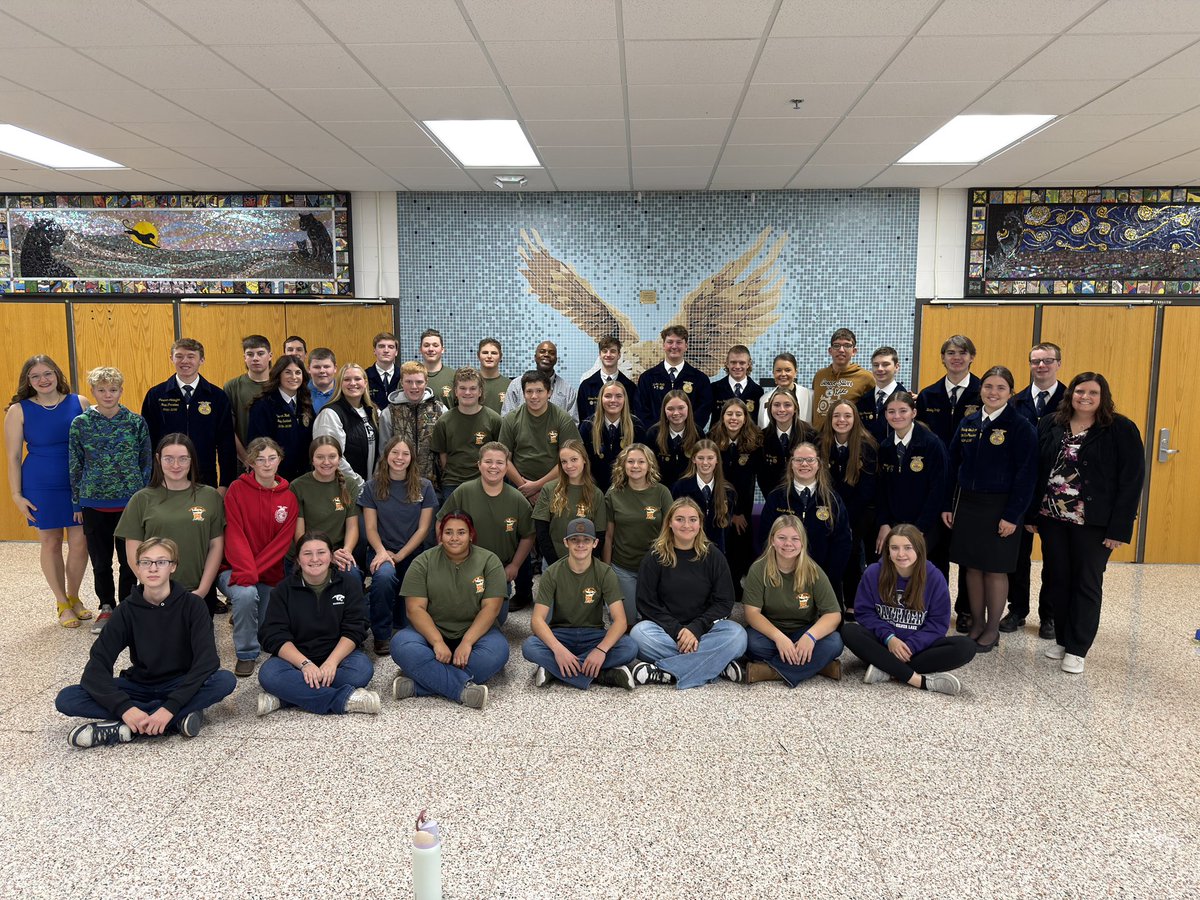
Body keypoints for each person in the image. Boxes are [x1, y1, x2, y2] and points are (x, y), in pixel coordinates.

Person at [54, 537, 236, 747]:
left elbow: (207, 662)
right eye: (146, 562)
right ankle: (172, 721)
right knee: (67, 698)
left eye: (161, 562)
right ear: (138, 568)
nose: (153, 568)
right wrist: (125, 709)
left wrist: (170, 706)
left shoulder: (193, 605)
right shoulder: (126, 610)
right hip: (139, 685)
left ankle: (129, 727)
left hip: (179, 683)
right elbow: (97, 666)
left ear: (173, 567)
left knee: (224, 681)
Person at [1033, 372, 1144, 675]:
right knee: (1057, 578)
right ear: (1071, 394)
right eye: (1080, 391)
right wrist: (1032, 515)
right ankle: (1063, 638)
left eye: (1093, 393)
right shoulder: (1051, 423)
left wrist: (1120, 528)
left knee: (1086, 581)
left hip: (1094, 523)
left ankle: (1078, 648)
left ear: (1102, 397)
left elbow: (1131, 481)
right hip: (1052, 518)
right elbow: (1038, 469)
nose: (1085, 397)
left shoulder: (1120, 429)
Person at [943, 366, 1037, 653]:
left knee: (995, 570)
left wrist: (1013, 516)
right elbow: (952, 463)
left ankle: (992, 628)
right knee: (971, 567)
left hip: (1002, 508)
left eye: (1000, 388)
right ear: (980, 390)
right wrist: (949, 505)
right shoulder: (970, 422)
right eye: (988, 387)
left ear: (1010, 392)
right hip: (969, 505)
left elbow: (1027, 475)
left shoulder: (1020, 426)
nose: (993, 393)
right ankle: (976, 624)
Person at [390, 511, 509, 710]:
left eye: (461, 532)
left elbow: (492, 608)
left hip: (476, 635)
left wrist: (467, 642)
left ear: (471, 535)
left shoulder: (490, 561)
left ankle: (419, 685)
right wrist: (437, 641)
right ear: (440, 535)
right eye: (448, 532)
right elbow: (414, 609)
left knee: (499, 652)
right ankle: (462, 688)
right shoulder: (423, 561)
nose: (454, 538)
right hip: (430, 634)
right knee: (401, 645)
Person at [6, 355, 92, 627]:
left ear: (57, 374)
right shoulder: (18, 410)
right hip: (40, 485)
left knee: (80, 543)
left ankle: (74, 596)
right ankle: (61, 602)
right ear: (28, 381)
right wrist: (16, 495)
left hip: (77, 484)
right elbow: (12, 457)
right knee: (51, 542)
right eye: (35, 376)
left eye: (47, 373)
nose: (43, 380)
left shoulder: (80, 403)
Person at [256, 531, 380, 717]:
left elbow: (356, 628)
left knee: (361, 670)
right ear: (298, 559)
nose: (315, 559)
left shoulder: (348, 584)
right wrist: (305, 664)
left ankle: (284, 698)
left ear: (331, 556)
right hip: (297, 660)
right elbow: (273, 635)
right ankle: (345, 700)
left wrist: (331, 662)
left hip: (338, 657)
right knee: (269, 674)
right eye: (307, 554)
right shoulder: (283, 590)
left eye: (321, 552)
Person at [842, 525, 976, 695]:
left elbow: (938, 624)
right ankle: (919, 681)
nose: (901, 554)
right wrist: (890, 639)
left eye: (908, 548)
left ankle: (885, 668)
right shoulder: (873, 573)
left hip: (917, 650)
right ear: (887, 550)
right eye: (894, 548)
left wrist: (911, 646)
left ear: (919, 549)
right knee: (849, 631)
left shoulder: (934, 577)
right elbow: (864, 613)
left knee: (966, 647)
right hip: (883, 644)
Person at [68, 366, 152, 633]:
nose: (107, 395)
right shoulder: (80, 424)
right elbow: (75, 464)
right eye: (101, 390)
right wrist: (76, 502)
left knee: (130, 559)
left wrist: (144, 499)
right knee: (100, 559)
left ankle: (128, 605)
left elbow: (146, 461)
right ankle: (106, 606)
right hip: (94, 503)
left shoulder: (135, 422)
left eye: (113, 390)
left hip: (130, 503)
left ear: (121, 391)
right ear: (92, 392)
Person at [630, 498, 746, 688]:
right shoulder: (655, 557)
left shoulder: (713, 556)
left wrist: (695, 628)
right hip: (666, 632)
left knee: (737, 635)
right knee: (638, 635)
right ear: (669, 522)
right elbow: (646, 603)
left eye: (693, 519)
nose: (686, 525)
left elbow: (724, 602)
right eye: (680, 519)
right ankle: (716, 664)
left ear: (700, 524)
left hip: (704, 631)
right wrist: (678, 631)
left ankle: (665, 672)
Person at [521, 518, 639, 690]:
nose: (580, 545)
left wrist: (600, 651)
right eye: (574, 540)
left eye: (586, 540)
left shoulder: (605, 572)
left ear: (595, 543)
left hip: (593, 635)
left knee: (630, 647)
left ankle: (556, 671)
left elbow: (620, 620)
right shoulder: (552, 573)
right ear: (566, 542)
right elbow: (537, 620)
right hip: (561, 635)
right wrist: (558, 650)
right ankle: (602, 674)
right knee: (529, 647)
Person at [117, 434, 225, 616]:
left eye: (183, 459)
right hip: (154, 594)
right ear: (158, 459)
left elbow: (216, 546)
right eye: (169, 459)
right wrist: (152, 586)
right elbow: (132, 550)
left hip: (198, 592)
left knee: (197, 644)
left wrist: (203, 590)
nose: (176, 465)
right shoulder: (141, 499)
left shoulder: (210, 496)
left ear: (192, 460)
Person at [218, 437, 300, 677]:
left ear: (279, 460)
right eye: (260, 459)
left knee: (268, 634)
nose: (266, 464)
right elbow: (234, 535)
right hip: (234, 568)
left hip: (269, 573)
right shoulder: (236, 490)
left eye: (271, 458)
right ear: (250, 462)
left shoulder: (289, 497)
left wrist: (255, 572)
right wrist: (246, 571)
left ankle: (245, 619)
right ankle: (246, 653)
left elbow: (281, 545)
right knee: (245, 594)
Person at [1001, 342, 1067, 639]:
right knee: (1019, 555)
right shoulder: (1016, 402)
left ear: (1058, 364)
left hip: (1058, 493)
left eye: (1047, 361)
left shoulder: (1070, 400)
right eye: (1035, 361)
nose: (1041, 366)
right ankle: (1017, 609)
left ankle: (1050, 615)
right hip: (1022, 489)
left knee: (1054, 557)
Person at [917, 334, 981, 631]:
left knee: (968, 552)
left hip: (972, 485)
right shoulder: (929, 396)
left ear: (971, 357)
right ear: (942, 358)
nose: (956, 357)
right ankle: (937, 604)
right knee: (938, 551)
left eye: (962, 353)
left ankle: (966, 610)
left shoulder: (985, 392)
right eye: (951, 353)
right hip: (938, 483)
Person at [740, 515, 844, 685]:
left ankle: (769, 671)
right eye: (782, 538)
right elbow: (751, 614)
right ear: (772, 540)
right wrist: (779, 638)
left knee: (835, 642)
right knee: (750, 643)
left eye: (795, 539)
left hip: (803, 630)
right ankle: (819, 666)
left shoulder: (813, 571)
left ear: (802, 543)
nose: (788, 544)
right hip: (770, 632)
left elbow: (833, 615)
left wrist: (810, 637)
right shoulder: (759, 569)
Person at [360, 436, 437, 653]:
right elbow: (371, 529)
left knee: (404, 621)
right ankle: (381, 636)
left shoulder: (425, 486)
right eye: (395, 452)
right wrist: (383, 553)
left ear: (412, 458)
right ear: (386, 455)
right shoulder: (371, 487)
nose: (399, 458)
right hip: (381, 552)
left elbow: (423, 530)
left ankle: (382, 612)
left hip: (413, 554)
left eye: (405, 453)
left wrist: (400, 556)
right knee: (384, 578)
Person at [441, 442, 536, 616]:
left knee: (497, 619)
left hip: (499, 570)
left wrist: (514, 565)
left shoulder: (518, 500)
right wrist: (446, 556)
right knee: (461, 615)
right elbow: (441, 521)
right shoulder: (463, 492)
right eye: (488, 461)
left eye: (500, 462)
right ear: (479, 465)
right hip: (464, 566)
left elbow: (528, 535)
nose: (494, 466)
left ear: (507, 467)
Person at [140, 338, 237, 491]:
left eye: (191, 356)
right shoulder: (156, 395)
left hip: (204, 476)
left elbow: (226, 444)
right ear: (171, 358)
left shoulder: (217, 396)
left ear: (202, 360)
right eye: (179, 356)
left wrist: (226, 484)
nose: (185, 361)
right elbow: (147, 442)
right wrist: (150, 479)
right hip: (166, 477)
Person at [760, 442, 852, 599]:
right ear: (791, 464)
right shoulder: (776, 497)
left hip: (823, 579)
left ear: (819, 464)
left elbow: (842, 543)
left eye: (810, 460)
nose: (804, 464)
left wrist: (827, 578)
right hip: (782, 579)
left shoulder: (832, 500)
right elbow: (765, 537)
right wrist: (777, 572)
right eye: (798, 460)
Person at [602, 443, 673, 626]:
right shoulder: (613, 494)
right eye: (630, 461)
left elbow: (671, 533)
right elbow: (609, 536)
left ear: (649, 465)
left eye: (641, 462)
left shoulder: (662, 492)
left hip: (656, 567)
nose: (635, 466)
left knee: (655, 620)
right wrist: (607, 571)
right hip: (624, 566)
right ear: (623, 465)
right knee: (628, 622)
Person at [818, 400, 878, 608]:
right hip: (827, 510)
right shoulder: (821, 443)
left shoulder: (867, 446)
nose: (841, 420)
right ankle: (828, 600)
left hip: (857, 513)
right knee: (826, 553)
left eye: (847, 416)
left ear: (855, 419)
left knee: (852, 553)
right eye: (836, 416)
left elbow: (867, 491)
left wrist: (845, 520)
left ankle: (853, 602)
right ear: (830, 419)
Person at [874, 392, 948, 560]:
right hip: (895, 524)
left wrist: (920, 528)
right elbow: (881, 490)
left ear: (913, 413)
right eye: (891, 411)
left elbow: (938, 489)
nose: (897, 416)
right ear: (885, 414)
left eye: (903, 411)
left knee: (923, 573)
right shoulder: (885, 447)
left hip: (926, 525)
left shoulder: (931, 444)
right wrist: (884, 523)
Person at [707, 397, 763, 598]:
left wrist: (738, 513)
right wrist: (725, 511)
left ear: (745, 418)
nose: (734, 418)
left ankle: (735, 584)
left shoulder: (755, 443)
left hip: (743, 506)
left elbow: (750, 481)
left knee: (740, 545)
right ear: (722, 417)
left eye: (738, 414)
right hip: (716, 504)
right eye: (729, 414)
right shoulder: (711, 440)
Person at [499, 370, 582, 503]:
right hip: (519, 487)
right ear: (523, 393)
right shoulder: (511, 419)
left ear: (549, 393)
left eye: (539, 391)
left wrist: (538, 486)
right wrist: (525, 488)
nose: (534, 396)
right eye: (529, 391)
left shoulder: (563, 419)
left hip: (557, 486)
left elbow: (571, 459)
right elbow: (503, 459)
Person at [288, 436, 361, 582]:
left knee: (352, 576)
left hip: (337, 552)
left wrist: (346, 551)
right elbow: (299, 533)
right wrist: (320, 556)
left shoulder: (350, 484)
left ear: (339, 459)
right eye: (320, 457)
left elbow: (352, 527)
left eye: (332, 456)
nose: (326, 462)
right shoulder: (298, 486)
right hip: (307, 553)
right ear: (312, 460)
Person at [429, 366, 501, 502]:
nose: (467, 392)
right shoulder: (444, 421)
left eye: (473, 388)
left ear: (480, 391)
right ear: (455, 391)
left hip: (485, 482)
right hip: (452, 484)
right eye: (462, 388)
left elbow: (502, 454)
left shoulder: (494, 420)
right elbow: (442, 456)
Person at [533, 438, 607, 566]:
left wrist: (587, 563)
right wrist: (555, 563)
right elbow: (541, 531)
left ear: (584, 459)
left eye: (574, 459)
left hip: (585, 563)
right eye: (564, 462)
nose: (569, 465)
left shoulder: (596, 494)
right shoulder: (549, 489)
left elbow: (600, 534)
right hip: (554, 562)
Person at [246, 355, 314, 483]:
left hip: (304, 476)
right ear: (278, 375)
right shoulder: (263, 405)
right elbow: (257, 444)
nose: (294, 377)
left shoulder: (306, 404)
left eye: (298, 373)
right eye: (287, 372)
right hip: (274, 476)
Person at [378, 360, 446, 486]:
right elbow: (384, 450)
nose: (414, 387)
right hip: (399, 483)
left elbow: (445, 449)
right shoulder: (389, 413)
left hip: (433, 483)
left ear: (426, 382)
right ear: (401, 383)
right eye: (409, 381)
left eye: (419, 382)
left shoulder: (440, 410)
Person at [634, 325, 713, 429]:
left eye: (679, 342)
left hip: (688, 440)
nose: (674, 346)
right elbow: (641, 410)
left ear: (686, 346)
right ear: (663, 345)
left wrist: (687, 432)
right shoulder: (647, 378)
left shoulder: (700, 379)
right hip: (655, 440)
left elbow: (704, 410)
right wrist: (656, 433)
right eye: (670, 342)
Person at [312, 363, 377, 487]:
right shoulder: (330, 414)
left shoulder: (372, 411)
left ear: (365, 383)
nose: (353, 383)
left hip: (369, 488)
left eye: (357, 379)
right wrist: (358, 484)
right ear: (340, 384)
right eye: (347, 379)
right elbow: (332, 458)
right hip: (342, 487)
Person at [579, 379, 645, 494]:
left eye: (618, 396)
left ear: (625, 400)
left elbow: (642, 464)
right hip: (594, 490)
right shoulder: (587, 426)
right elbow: (582, 463)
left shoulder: (636, 426)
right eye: (608, 396)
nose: (613, 400)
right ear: (600, 399)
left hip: (627, 491)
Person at [671, 438, 734, 553]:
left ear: (717, 460)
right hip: (687, 550)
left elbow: (726, 528)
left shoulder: (727, 491)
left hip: (716, 552)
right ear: (694, 459)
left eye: (710, 458)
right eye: (700, 458)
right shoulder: (680, 487)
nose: (705, 463)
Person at [756, 388, 817, 498]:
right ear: (770, 408)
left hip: (805, 498)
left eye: (787, 405)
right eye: (777, 405)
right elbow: (762, 476)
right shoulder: (761, 437)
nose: (782, 409)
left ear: (795, 408)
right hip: (774, 499)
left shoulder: (811, 435)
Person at [223, 334, 272, 465]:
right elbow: (228, 429)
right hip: (244, 462)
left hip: (279, 462)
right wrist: (246, 460)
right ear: (244, 358)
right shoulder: (232, 387)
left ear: (270, 356)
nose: (255, 358)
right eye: (250, 354)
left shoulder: (280, 384)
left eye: (260, 353)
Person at [812, 328, 875, 429]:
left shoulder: (866, 378)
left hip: (849, 440)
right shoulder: (819, 376)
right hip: (819, 440)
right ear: (830, 350)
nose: (841, 350)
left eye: (847, 345)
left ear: (854, 351)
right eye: (836, 345)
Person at [502, 341, 579, 421]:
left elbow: (572, 423)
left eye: (551, 353)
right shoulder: (516, 385)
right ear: (535, 357)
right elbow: (507, 419)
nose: (546, 355)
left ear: (556, 360)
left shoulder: (567, 390)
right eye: (542, 352)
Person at [644, 389, 700, 488]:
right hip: (659, 490)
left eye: (681, 408)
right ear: (664, 410)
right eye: (670, 409)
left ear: (688, 408)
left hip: (689, 491)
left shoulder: (698, 434)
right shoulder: (652, 434)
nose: (676, 413)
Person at [576, 336, 637, 424]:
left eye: (613, 351)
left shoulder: (630, 387)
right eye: (605, 351)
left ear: (619, 355)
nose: (608, 355)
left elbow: (632, 418)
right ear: (600, 355)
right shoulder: (586, 386)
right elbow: (582, 419)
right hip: (592, 436)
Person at [856, 346, 906, 444]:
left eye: (885, 364)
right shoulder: (863, 401)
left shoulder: (906, 400)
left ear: (897, 367)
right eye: (875, 365)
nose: (879, 369)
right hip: (868, 457)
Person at [710, 345, 764, 430]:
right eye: (733, 362)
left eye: (742, 363)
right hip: (719, 440)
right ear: (727, 363)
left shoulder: (757, 391)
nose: (737, 366)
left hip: (748, 441)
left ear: (748, 364)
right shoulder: (714, 388)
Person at [759, 352, 813, 428]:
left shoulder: (810, 396)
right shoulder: (764, 399)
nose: (783, 374)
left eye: (788, 370)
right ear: (773, 373)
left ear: (795, 372)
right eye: (778, 370)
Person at [419, 328, 456, 406]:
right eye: (426, 345)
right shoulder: (410, 376)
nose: (431, 349)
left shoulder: (454, 377)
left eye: (435, 345)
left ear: (442, 349)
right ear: (420, 349)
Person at [366, 331, 400, 410]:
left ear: (396, 352)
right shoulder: (365, 376)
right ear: (374, 350)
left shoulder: (403, 376)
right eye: (381, 346)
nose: (386, 350)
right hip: (373, 420)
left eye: (391, 347)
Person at [476, 337, 509, 414]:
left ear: (500, 356)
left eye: (494, 353)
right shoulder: (470, 385)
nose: (489, 356)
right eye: (485, 353)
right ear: (478, 355)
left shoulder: (509, 385)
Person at [306, 347, 338, 414]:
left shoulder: (344, 392)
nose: (322, 371)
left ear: (335, 368)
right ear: (309, 369)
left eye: (326, 367)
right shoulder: (301, 393)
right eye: (317, 367)